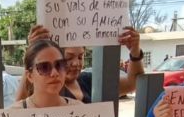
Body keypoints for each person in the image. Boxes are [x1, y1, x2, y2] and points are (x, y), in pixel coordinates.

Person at [15, 25, 145, 103]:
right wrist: (34, 52)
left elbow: (132, 84)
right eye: (69, 57)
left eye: (80, 56)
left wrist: (135, 51)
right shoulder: (47, 86)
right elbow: (20, 107)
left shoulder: (89, 80)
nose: (76, 63)